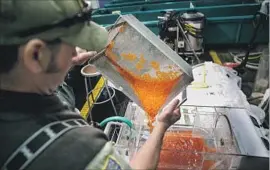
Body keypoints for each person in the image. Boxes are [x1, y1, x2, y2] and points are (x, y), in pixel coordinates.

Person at [0, 0, 181, 170]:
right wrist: (161, 125)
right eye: (71, 44)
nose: (75, 52)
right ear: (36, 55)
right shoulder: (78, 150)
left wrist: (58, 64)